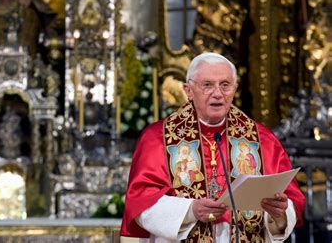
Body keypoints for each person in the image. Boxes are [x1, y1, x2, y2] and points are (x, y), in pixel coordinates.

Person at [121, 52, 305, 242]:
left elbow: (291, 201)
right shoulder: (157, 139)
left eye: (225, 85)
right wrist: (190, 211)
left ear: (235, 88)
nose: (217, 93)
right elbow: (141, 202)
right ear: (189, 90)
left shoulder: (263, 140)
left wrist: (279, 215)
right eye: (207, 85)